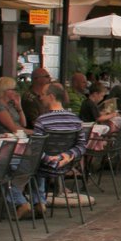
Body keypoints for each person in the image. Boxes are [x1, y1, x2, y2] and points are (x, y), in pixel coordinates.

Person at [27, 83, 88, 218]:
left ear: (51, 97)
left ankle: (38, 201)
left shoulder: (42, 121)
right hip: (68, 165)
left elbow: (36, 149)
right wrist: (67, 155)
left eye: (42, 95)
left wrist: (50, 159)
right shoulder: (75, 120)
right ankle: (39, 201)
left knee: (26, 165)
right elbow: (82, 145)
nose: (40, 98)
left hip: (45, 165)